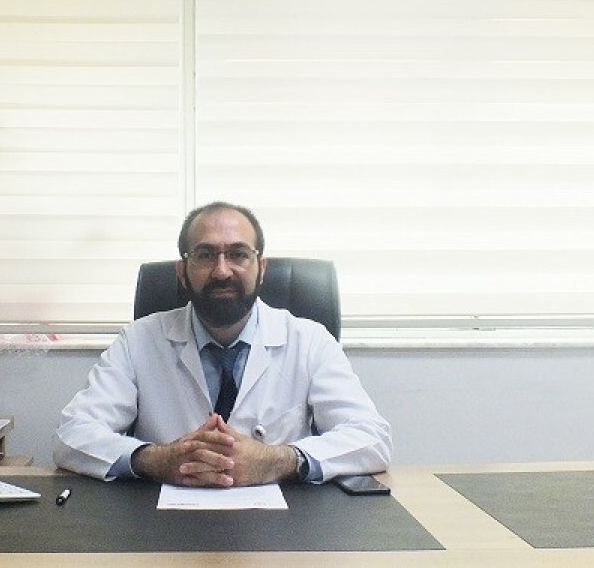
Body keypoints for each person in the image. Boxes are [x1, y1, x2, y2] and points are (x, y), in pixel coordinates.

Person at [53, 201, 392, 487]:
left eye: (238, 254)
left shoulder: (310, 340)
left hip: (281, 527)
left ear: (261, 268)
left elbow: (372, 437)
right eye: (205, 255)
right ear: (182, 271)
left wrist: (277, 460)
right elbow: (72, 434)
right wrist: (157, 459)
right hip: (162, 525)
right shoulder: (139, 340)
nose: (221, 271)